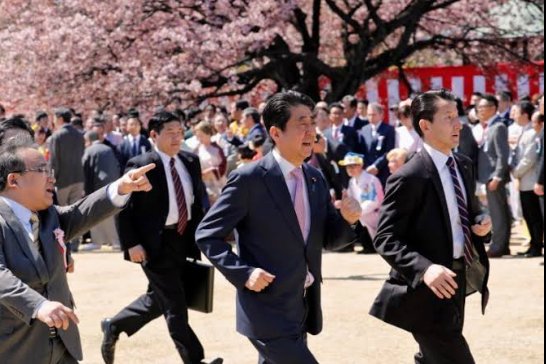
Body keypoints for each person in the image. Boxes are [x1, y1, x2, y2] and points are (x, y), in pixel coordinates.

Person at [196, 91, 361, 364]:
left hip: (302, 305)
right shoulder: (249, 179)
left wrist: (348, 219)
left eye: (312, 123)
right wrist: (244, 273)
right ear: (276, 132)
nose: (311, 131)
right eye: (301, 124)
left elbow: (329, 240)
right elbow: (207, 234)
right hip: (265, 307)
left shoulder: (315, 178)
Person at [0, 137, 154, 364]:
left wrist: (120, 187)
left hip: (62, 346)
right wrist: (39, 305)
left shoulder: (48, 215)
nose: (52, 177)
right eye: (42, 170)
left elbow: (81, 212)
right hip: (15, 348)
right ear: (14, 180)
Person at [370, 89, 492, 364]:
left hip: (457, 277)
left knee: (434, 356)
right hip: (426, 287)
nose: (458, 123)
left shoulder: (463, 164)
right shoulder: (408, 176)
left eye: (457, 115)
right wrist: (425, 269)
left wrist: (481, 224)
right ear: (425, 125)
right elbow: (386, 237)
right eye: (448, 117)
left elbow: (469, 212)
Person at [100, 111, 222, 364]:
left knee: (160, 299)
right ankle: (196, 360)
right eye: (170, 133)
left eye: (180, 132)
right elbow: (125, 208)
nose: (177, 137)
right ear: (154, 135)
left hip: (182, 240)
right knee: (175, 305)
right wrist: (131, 244)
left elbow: (196, 202)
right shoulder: (141, 164)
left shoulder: (190, 160)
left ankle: (113, 325)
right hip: (154, 244)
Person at [475, 95, 512, 258]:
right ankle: (502, 245)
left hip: (493, 178)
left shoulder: (498, 127)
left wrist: (497, 176)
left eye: (482, 108)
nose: (479, 111)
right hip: (487, 177)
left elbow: (502, 155)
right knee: (497, 212)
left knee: (498, 213)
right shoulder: (488, 126)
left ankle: (498, 246)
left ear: (492, 108)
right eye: (478, 108)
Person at [49, 108, 86, 252]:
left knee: (59, 213)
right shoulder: (79, 134)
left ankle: (62, 243)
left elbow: (53, 161)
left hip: (62, 180)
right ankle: (75, 243)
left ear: (59, 118)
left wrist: (52, 179)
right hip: (78, 177)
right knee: (75, 212)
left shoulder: (56, 136)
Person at [82, 131, 122, 251]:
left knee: (98, 213)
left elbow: (85, 171)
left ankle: (107, 242)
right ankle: (107, 241)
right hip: (113, 183)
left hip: (98, 185)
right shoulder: (108, 149)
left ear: (88, 140)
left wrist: (86, 190)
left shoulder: (89, 151)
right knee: (109, 213)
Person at [512, 108, 544, 258]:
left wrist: (515, 172)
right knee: (528, 216)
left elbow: (528, 158)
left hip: (530, 181)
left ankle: (536, 246)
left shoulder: (533, 135)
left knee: (534, 216)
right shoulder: (529, 133)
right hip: (525, 180)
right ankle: (533, 244)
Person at [340, 153, 384, 239]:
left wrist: (356, 212)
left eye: (353, 166)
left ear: (361, 165)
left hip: (377, 217)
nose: (350, 169)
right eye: (348, 166)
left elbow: (374, 201)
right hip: (364, 219)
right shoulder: (351, 182)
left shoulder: (371, 179)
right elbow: (351, 200)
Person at [358, 103, 396, 186]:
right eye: (369, 115)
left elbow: (389, 151)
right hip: (367, 170)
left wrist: (376, 166)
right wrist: (367, 166)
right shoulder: (364, 130)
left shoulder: (389, 130)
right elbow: (361, 150)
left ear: (381, 115)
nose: (371, 117)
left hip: (383, 170)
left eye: (373, 115)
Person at [194, 121, 227, 204]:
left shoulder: (217, 149)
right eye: (198, 136)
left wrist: (212, 170)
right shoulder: (197, 150)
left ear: (208, 134)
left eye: (201, 135)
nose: (199, 138)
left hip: (218, 184)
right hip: (204, 184)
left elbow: (223, 166)